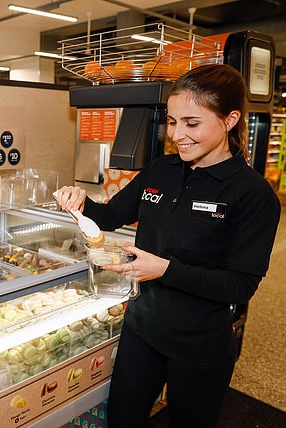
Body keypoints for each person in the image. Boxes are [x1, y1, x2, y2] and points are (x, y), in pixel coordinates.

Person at [55, 63, 280, 428]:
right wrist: (80, 203)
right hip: (142, 329)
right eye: (173, 122)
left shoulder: (253, 194)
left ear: (230, 120)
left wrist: (165, 270)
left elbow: (240, 284)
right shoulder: (162, 170)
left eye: (192, 123)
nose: (178, 135)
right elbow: (111, 215)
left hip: (199, 345)